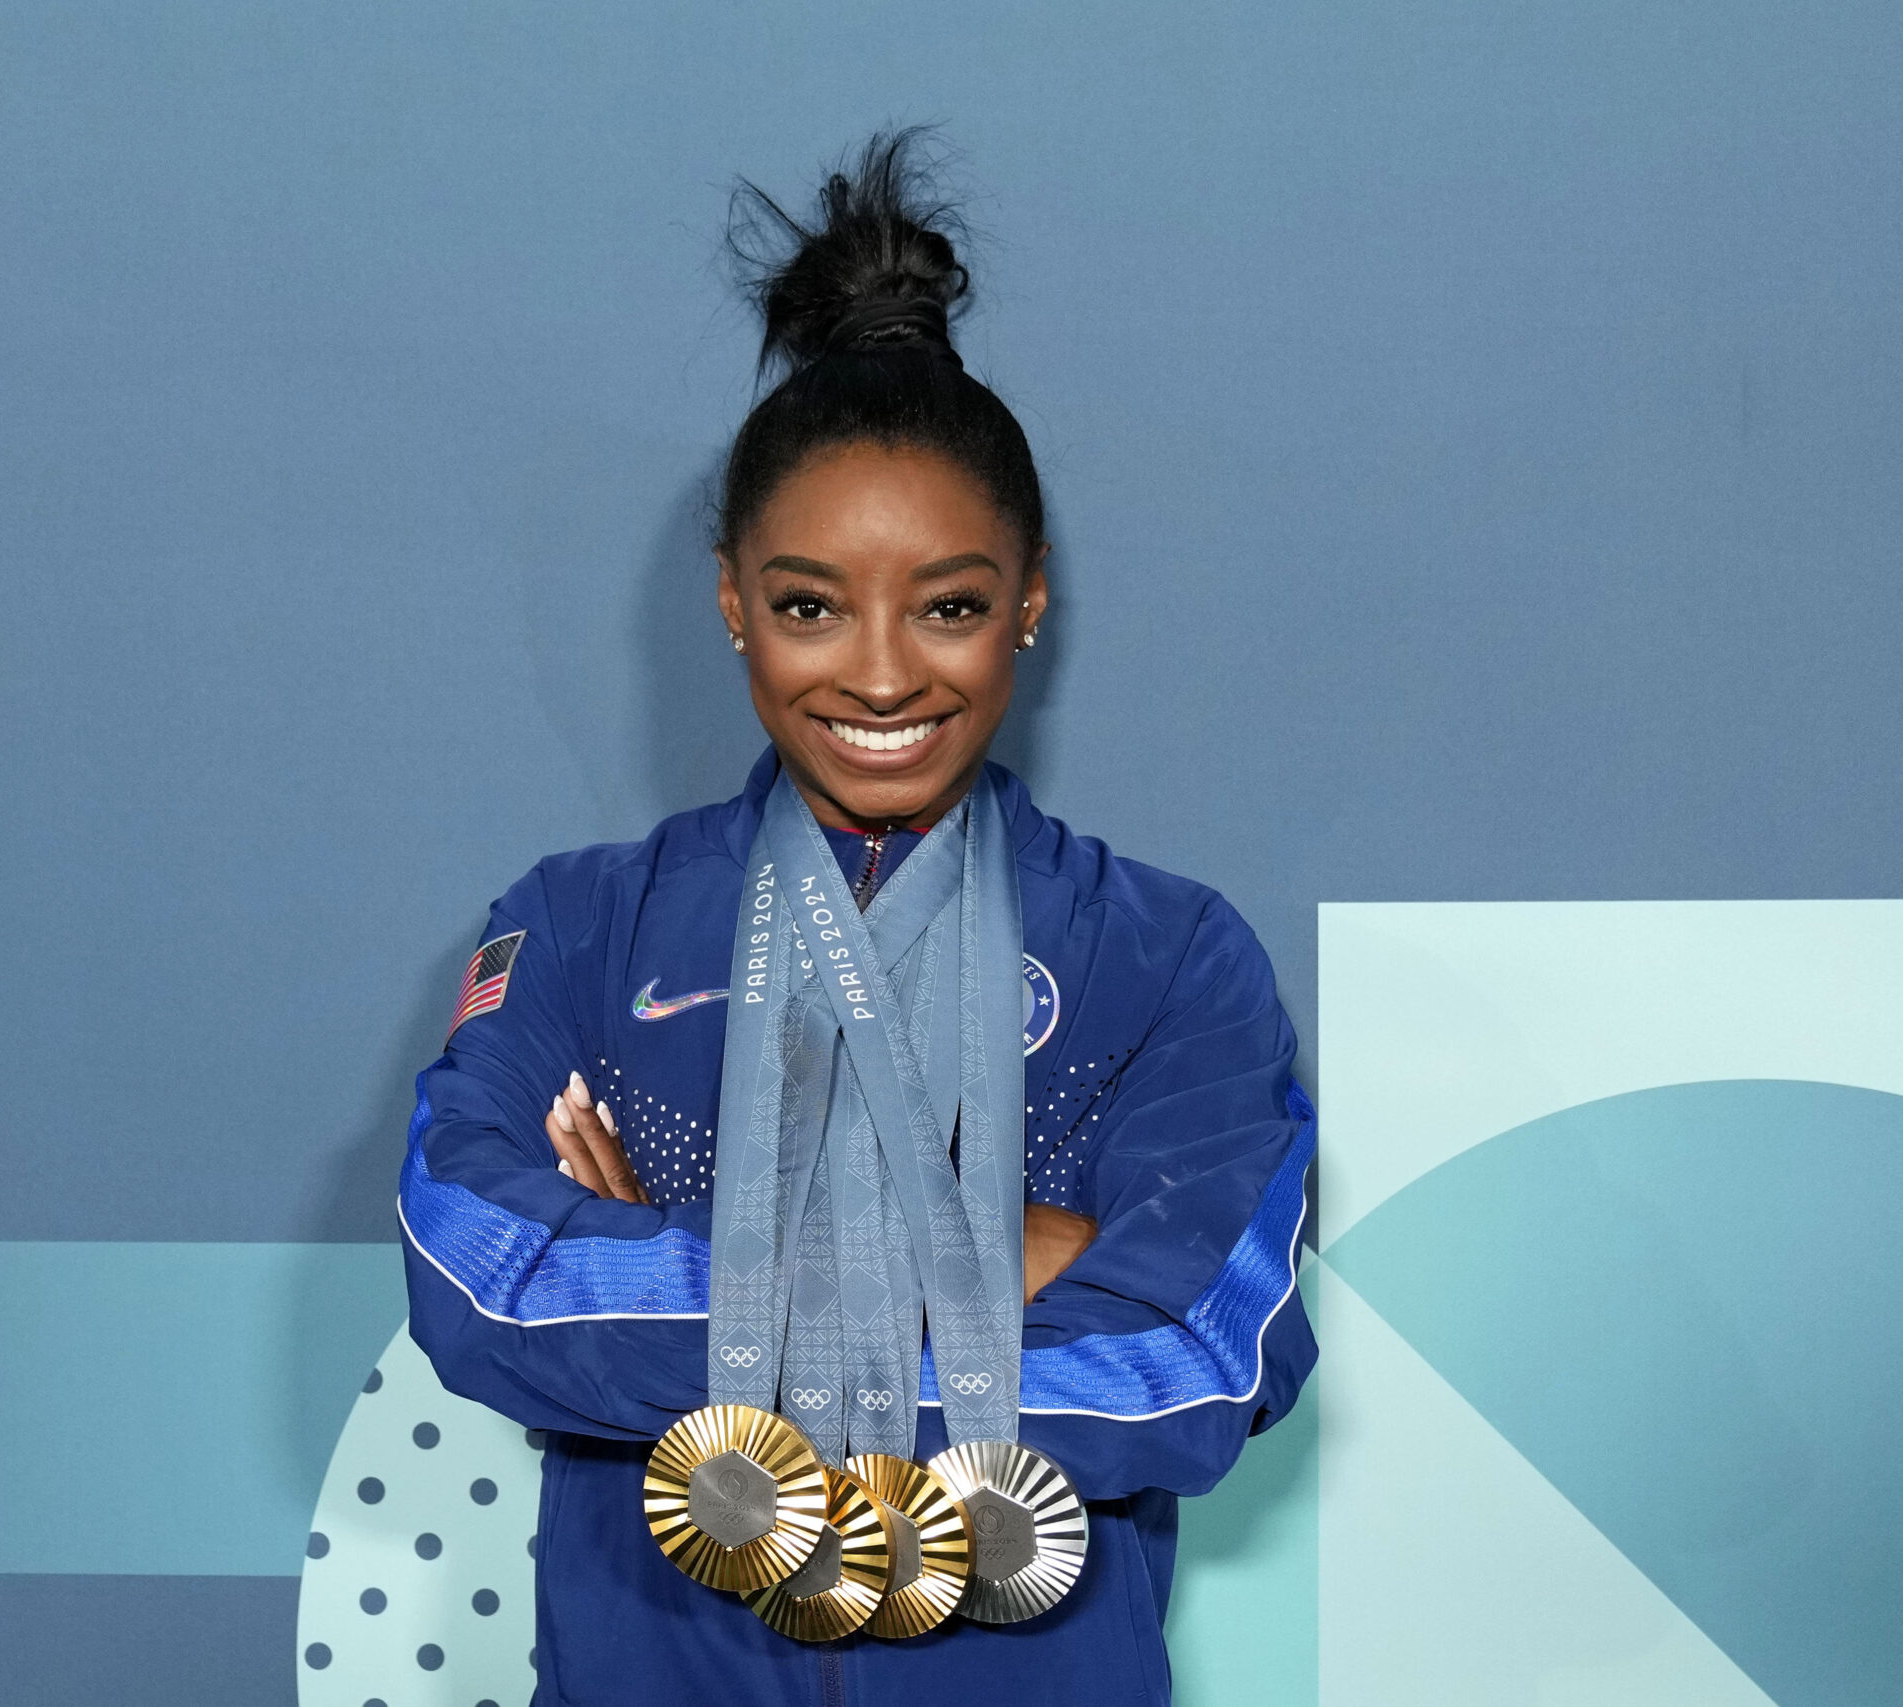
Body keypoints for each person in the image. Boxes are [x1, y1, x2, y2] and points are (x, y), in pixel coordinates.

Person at [399, 133, 1316, 1706]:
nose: (883, 675)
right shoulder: (582, 928)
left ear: (1030, 599)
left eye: (951, 605)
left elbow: (1199, 1362)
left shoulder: (1166, 957)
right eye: (812, 603)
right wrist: (992, 1264)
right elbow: (484, 1278)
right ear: (733, 599)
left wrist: (685, 1272)